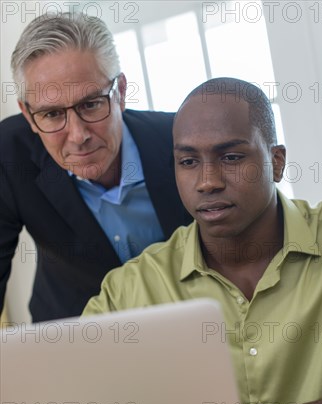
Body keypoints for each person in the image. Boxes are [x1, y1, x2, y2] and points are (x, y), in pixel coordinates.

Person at [84, 77, 322, 404]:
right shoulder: (128, 289)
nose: (208, 181)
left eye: (231, 157)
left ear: (277, 162)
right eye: (188, 161)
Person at [0, 12, 190, 322]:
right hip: (71, 331)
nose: (78, 136)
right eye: (51, 115)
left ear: (121, 92)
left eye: (91, 104)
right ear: (27, 113)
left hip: (185, 322)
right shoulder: (9, 155)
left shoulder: (180, 141)